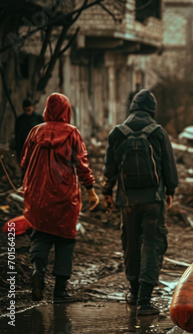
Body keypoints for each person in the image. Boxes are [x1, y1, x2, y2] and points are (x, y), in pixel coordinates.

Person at [102, 89, 179, 316]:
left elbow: (110, 166)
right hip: (153, 200)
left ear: (132, 107)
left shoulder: (118, 132)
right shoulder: (157, 132)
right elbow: (168, 165)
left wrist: (107, 191)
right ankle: (145, 301)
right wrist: (170, 190)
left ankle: (134, 292)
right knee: (152, 245)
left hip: (127, 200)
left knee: (131, 245)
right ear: (152, 110)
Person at [21, 93, 99, 303]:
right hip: (65, 196)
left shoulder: (34, 131)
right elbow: (82, 164)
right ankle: (60, 291)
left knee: (40, 233)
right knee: (65, 240)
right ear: (67, 111)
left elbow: (24, 161)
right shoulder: (72, 133)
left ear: (46, 109)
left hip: (37, 195)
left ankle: (38, 270)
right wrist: (90, 190)